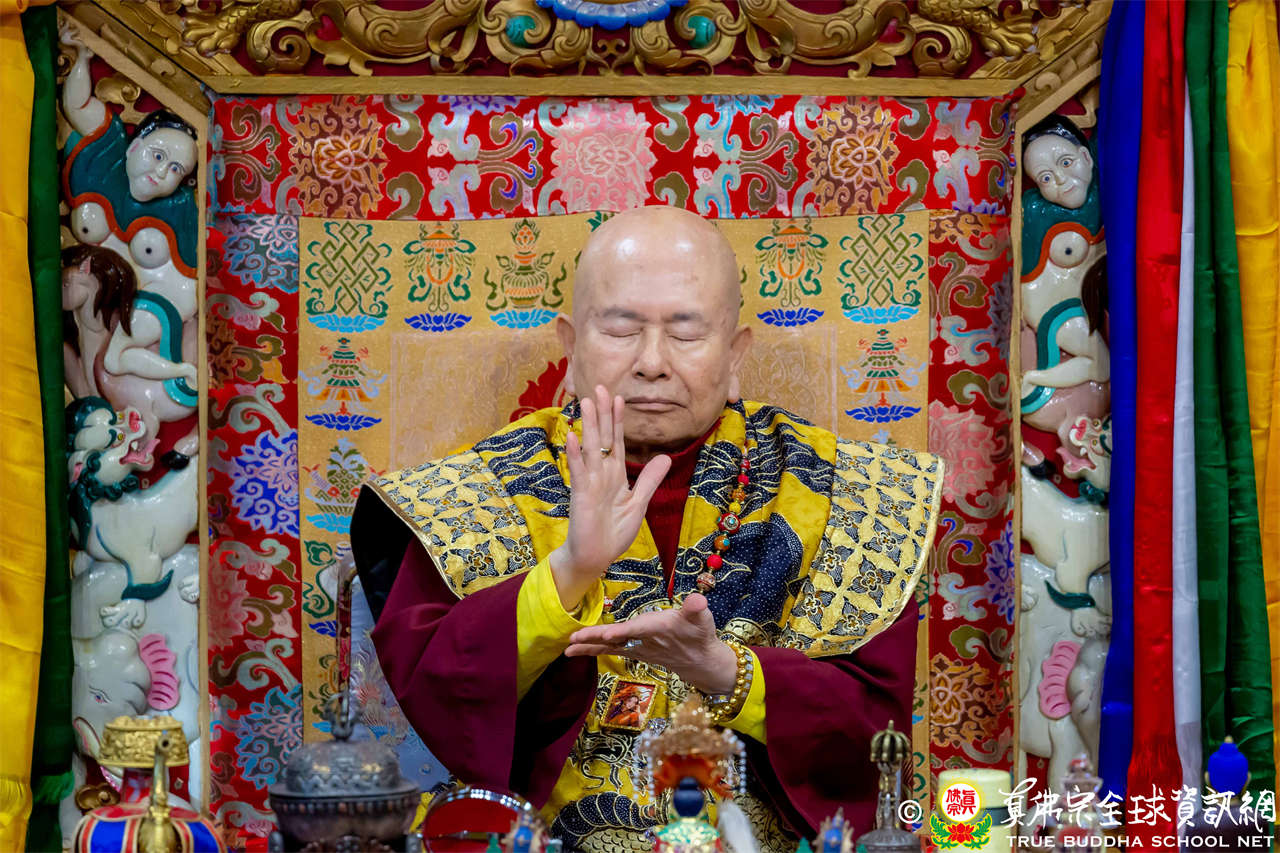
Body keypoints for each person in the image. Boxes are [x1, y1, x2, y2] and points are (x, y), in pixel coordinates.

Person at [351, 206, 944, 852]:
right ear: (570, 346)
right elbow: (435, 689)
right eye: (621, 329)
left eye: (686, 332)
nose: (652, 362)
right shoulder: (479, 493)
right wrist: (569, 573)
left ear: (736, 353)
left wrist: (730, 673)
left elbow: (876, 730)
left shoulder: (842, 494)